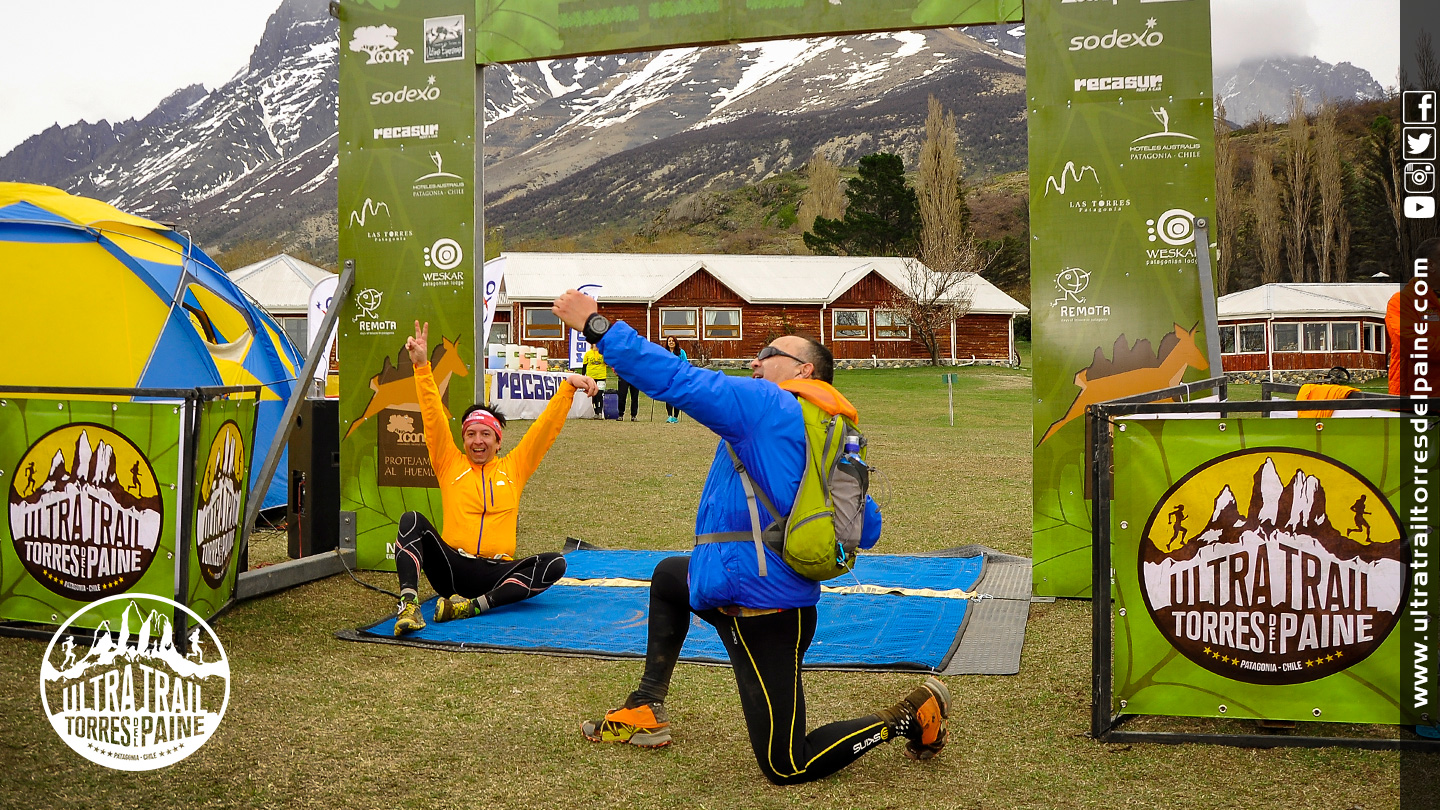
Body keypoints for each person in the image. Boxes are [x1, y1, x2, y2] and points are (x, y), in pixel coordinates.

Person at [551, 291, 950, 785]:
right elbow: (866, 528)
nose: (755, 362)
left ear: (803, 371)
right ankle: (645, 704)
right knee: (671, 577)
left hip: (766, 614)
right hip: (749, 589)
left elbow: (678, 379)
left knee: (787, 764)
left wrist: (597, 327)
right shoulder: (826, 431)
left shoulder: (767, 405)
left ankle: (910, 715)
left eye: (768, 354)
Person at [391, 321, 599, 635]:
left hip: (496, 574)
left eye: (486, 434)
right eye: (471, 434)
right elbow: (432, 415)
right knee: (411, 521)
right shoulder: (449, 462)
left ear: (498, 441)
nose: (478, 441)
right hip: (451, 568)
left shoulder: (514, 467)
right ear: (463, 440)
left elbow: (543, 432)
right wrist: (421, 367)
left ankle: (471, 607)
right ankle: (409, 605)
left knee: (555, 563)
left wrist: (568, 387)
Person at [662, 337, 687, 423]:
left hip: (678, 377)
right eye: (669, 341)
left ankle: (675, 417)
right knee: (668, 396)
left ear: (675, 342)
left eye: (673, 341)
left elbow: (685, 363)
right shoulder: (664, 352)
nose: (671, 342)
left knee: (677, 397)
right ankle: (669, 416)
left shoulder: (681, 352)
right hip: (668, 378)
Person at [582, 343, 608, 417]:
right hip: (591, 377)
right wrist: (583, 376)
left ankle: (600, 411)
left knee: (600, 394)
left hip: (601, 376)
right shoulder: (588, 353)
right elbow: (584, 365)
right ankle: (595, 412)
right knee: (593, 394)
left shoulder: (603, 353)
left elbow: (608, 363)